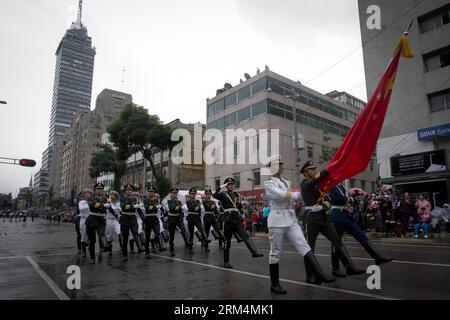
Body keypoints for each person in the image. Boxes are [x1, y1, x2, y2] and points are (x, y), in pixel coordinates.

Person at [265, 156, 334, 293]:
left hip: (290, 218)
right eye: (279, 164)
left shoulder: (287, 182)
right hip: (277, 220)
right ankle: (274, 284)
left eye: (281, 164)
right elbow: (280, 194)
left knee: (304, 246)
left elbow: (295, 199)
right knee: (275, 253)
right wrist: (296, 195)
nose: (282, 167)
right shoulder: (269, 184)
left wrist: (304, 195)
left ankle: (319, 273)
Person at [300, 160, 365, 282]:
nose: (314, 171)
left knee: (336, 240)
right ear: (306, 172)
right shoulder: (305, 183)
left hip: (323, 217)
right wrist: (331, 168)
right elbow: (315, 180)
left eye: (314, 169)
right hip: (311, 218)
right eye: (311, 170)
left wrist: (323, 206)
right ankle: (310, 276)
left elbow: (328, 199)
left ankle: (349, 266)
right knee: (309, 248)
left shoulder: (320, 186)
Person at [328, 183, 393, 277]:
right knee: (337, 244)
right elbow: (341, 199)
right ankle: (338, 268)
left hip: (345, 215)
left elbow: (350, 202)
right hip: (337, 216)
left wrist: (356, 195)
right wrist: (351, 197)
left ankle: (377, 257)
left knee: (360, 234)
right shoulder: (332, 186)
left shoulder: (341, 186)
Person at [213, 178, 263, 269]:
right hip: (228, 219)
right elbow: (214, 195)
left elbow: (239, 206)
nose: (231, 186)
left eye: (232, 184)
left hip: (237, 219)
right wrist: (221, 187)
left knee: (245, 235)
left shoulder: (237, 195)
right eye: (229, 184)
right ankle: (226, 262)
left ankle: (254, 252)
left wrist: (242, 215)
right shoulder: (223, 194)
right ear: (226, 186)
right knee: (227, 242)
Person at [164, 187, 192, 256]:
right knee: (172, 235)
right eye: (173, 193)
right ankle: (171, 249)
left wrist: (180, 209)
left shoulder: (179, 201)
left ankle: (187, 241)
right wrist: (179, 208)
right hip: (172, 218)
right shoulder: (167, 201)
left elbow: (181, 210)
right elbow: (171, 208)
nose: (175, 194)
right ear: (171, 194)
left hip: (178, 218)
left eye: (176, 193)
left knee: (183, 230)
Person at [119, 184, 145, 261]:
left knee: (135, 233)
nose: (129, 191)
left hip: (133, 218)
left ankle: (140, 247)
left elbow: (139, 210)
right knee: (125, 238)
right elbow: (123, 207)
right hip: (125, 218)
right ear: (125, 191)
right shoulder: (122, 199)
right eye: (127, 190)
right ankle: (124, 254)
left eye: (130, 190)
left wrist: (143, 217)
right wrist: (133, 206)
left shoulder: (135, 199)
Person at [85, 183, 109, 264]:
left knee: (102, 234)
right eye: (98, 189)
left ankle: (105, 246)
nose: (99, 190)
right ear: (95, 190)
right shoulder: (91, 197)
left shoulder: (105, 198)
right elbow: (92, 204)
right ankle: (92, 257)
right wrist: (102, 205)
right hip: (92, 219)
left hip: (101, 219)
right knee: (92, 241)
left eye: (101, 189)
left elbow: (108, 206)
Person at [183, 187, 210, 254]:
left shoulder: (198, 201)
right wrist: (196, 208)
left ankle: (206, 240)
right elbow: (191, 208)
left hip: (197, 218)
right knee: (191, 234)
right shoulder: (188, 201)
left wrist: (196, 208)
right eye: (192, 194)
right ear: (189, 194)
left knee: (201, 230)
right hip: (191, 218)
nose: (193, 195)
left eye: (194, 193)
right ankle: (190, 248)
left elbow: (199, 209)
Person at [142, 186, 166, 259]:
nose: (151, 193)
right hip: (148, 218)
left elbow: (163, 211)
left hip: (155, 218)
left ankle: (160, 246)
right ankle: (147, 252)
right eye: (149, 191)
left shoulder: (157, 200)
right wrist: (156, 206)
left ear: (154, 193)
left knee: (157, 233)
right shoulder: (145, 199)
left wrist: (161, 207)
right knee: (147, 236)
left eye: (152, 192)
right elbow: (147, 208)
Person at [202, 187, 226, 252]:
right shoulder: (204, 201)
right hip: (207, 217)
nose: (208, 195)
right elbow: (208, 207)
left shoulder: (213, 202)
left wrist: (217, 216)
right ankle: (206, 247)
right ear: (205, 195)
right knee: (206, 232)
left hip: (212, 217)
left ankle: (224, 242)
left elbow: (215, 210)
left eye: (209, 194)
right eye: (207, 194)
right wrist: (213, 207)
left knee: (218, 230)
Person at [105, 190, 122, 256]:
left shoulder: (118, 203)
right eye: (110, 195)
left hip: (116, 220)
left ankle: (122, 246)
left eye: (113, 195)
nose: (111, 196)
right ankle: (110, 250)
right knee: (109, 236)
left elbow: (118, 209)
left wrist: (110, 206)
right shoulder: (107, 202)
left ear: (116, 196)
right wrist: (108, 204)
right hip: (108, 220)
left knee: (120, 232)